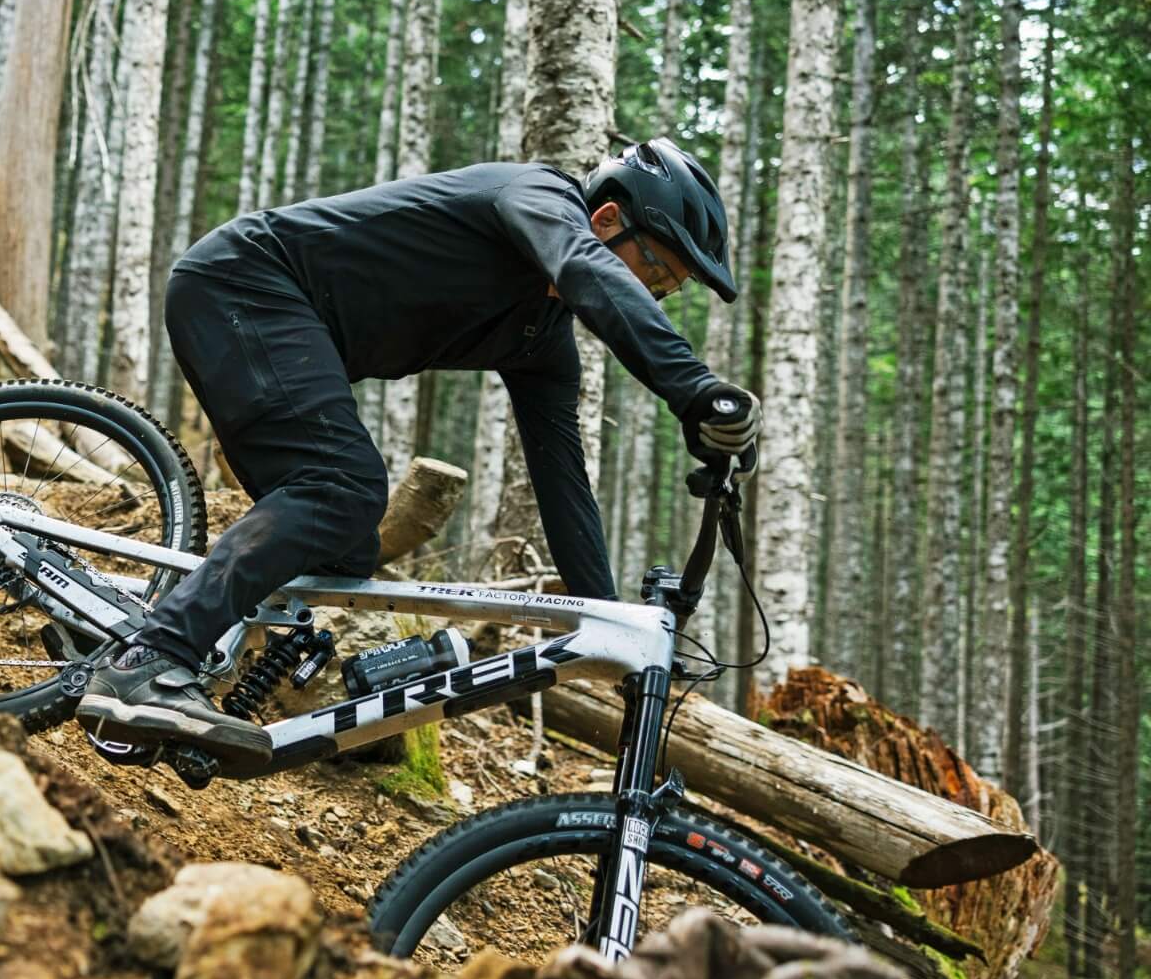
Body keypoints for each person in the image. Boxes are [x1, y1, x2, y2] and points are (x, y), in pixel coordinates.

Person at [75, 139, 762, 764]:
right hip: (242, 285)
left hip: (264, 315)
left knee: (342, 551)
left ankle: (100, 633)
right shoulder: (536, 195)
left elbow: (563, 483)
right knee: (340, 486)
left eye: (667, 290)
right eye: (655, 270)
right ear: (607, 219)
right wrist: (697, 391)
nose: (654, 293)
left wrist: (607, 620)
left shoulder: (541, 341)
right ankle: (150, 658)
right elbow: (585, 268)